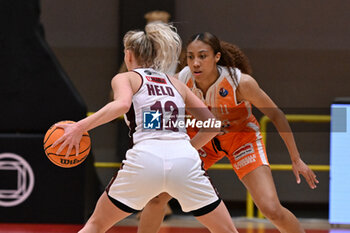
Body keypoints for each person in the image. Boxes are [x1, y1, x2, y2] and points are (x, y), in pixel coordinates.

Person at [51, 23, 240, 233]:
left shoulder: (126, 78)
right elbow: (213, 126)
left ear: (129, 55)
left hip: (145, 157)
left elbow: (121, 105)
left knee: (96, 225)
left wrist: (80, 126)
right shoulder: (175, 83)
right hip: (185, 161)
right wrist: (186, 148)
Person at [137, 32, 319, 233]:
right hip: (202, 140)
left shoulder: (240, 83)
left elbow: (277, 116)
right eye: (190, 57)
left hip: (241, 139)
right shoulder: (181, 80)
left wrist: (296, 158)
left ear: (216, 57)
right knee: (156, 198)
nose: (195, 63)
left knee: (271, 209)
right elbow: (159, 110)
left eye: (202, 56)